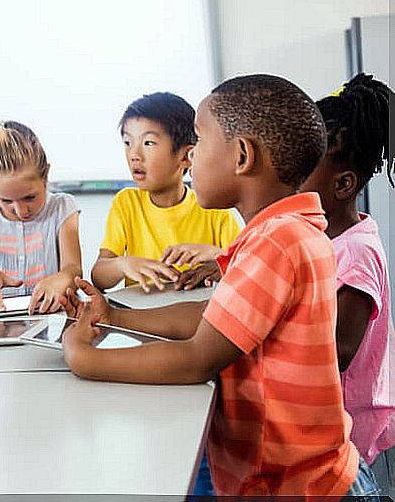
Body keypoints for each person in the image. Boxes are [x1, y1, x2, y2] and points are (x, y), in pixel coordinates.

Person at [61, 74, 377, 498]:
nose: (192, 157)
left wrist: (82, 359)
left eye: (199, 140)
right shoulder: (284, 231)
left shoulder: (278, 242)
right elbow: (214, 317)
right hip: (301, 479)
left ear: (242, 155)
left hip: (300, 487)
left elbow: (196, 359)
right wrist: (119, 316)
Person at [299, 73, 394, 495]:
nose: (288, 183)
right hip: (328, 425)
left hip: (347, 434)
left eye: (301, 174)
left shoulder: (355, 251)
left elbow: (337, 350)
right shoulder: (323, 238)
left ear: (342, 185)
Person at [90, 92, 241, 293]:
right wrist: (122, 264)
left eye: (148, 143)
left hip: (196, 315)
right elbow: (99, 277)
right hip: (139, 318)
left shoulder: (215, 208)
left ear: (187, 156)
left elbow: (245, 270)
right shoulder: (126, 203)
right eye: (128, 143)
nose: (134, 155)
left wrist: (217, 255)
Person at [0, 120, 83, 313]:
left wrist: (62, 279)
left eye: (29, 197)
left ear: (45, 176)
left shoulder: (61, 208)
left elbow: (74, 269)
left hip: (53, 315)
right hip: (4, 317)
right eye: (6, 201)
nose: (21, 211)